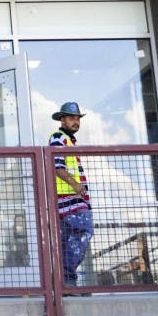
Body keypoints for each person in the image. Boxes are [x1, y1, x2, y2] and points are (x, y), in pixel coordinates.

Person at [49, 101, 94, 287]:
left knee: (67, 243)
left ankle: (65, 282)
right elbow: (57, 166)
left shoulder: (67, 140)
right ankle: (67, 278)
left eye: (77, 118)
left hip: (67, 203)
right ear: (62, 119)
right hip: (70, 201)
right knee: (85, 231)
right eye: (71, 118)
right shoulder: (59, 137)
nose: (76, 122)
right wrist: (76, 185)